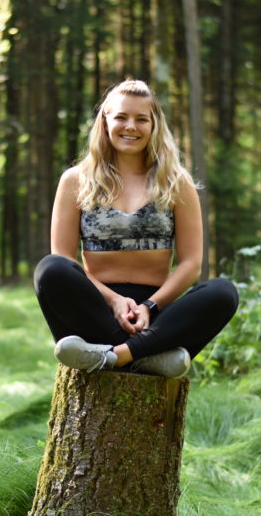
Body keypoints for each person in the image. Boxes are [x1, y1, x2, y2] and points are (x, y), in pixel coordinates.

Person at [33, 79, 238, 378]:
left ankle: (115, 355)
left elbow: (192, 264)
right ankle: (148, 357)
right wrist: (115, 301)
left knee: (223, 292)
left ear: (155, 125)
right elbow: (64, 258)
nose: (131, 126)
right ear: (105, 121)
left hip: (155, 315)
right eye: (121, 117)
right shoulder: (75, 180)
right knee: (51, 269)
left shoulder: (176, 182)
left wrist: (149, 307)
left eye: (142, 119)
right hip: (94, 308)